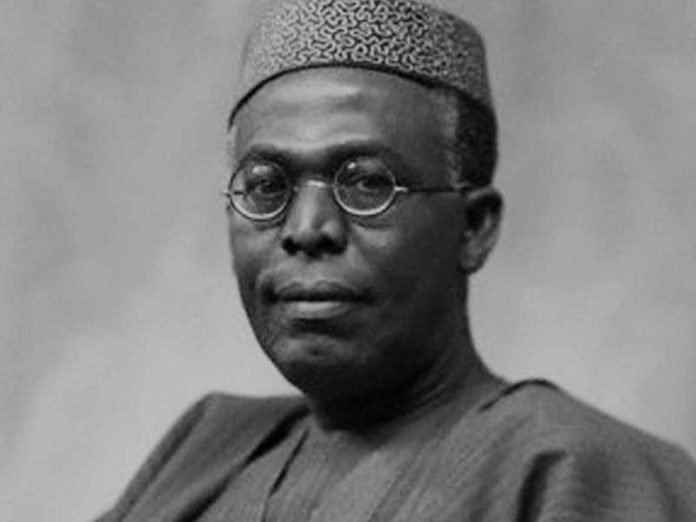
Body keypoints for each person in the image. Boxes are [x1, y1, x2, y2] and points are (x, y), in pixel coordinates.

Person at [96, 0, 696, 520]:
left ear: (474, 227)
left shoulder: (582, 471)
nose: (306, 230)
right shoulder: (204, 447)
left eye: (366, 184)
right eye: (266, 186)